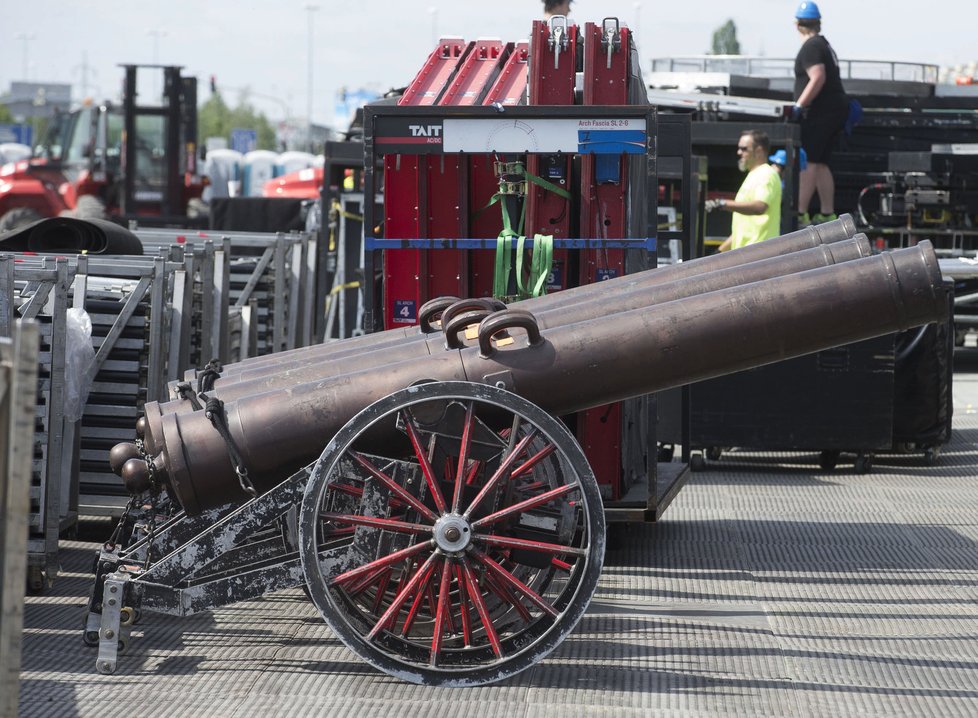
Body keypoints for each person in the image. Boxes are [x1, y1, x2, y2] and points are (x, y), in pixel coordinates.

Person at [792, 1, 849, 225]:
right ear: (819, 23)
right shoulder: (824, 44)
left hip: (819, 113)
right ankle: (827, 213)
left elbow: (818, 77)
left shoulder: (811, 47)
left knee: (810, 161)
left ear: (797, 25)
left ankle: (799, 213)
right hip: (833, 112)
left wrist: (799, 105)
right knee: (822, 162)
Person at [706, 130, 782, 252]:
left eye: (744, 149)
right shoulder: (754, 175)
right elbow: (744, 228)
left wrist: (723, 203)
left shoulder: (766, 174)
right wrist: (719, 251)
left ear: (759, 151)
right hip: (749, 254)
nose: (739, 152)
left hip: (759, 254)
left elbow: (760, 207)